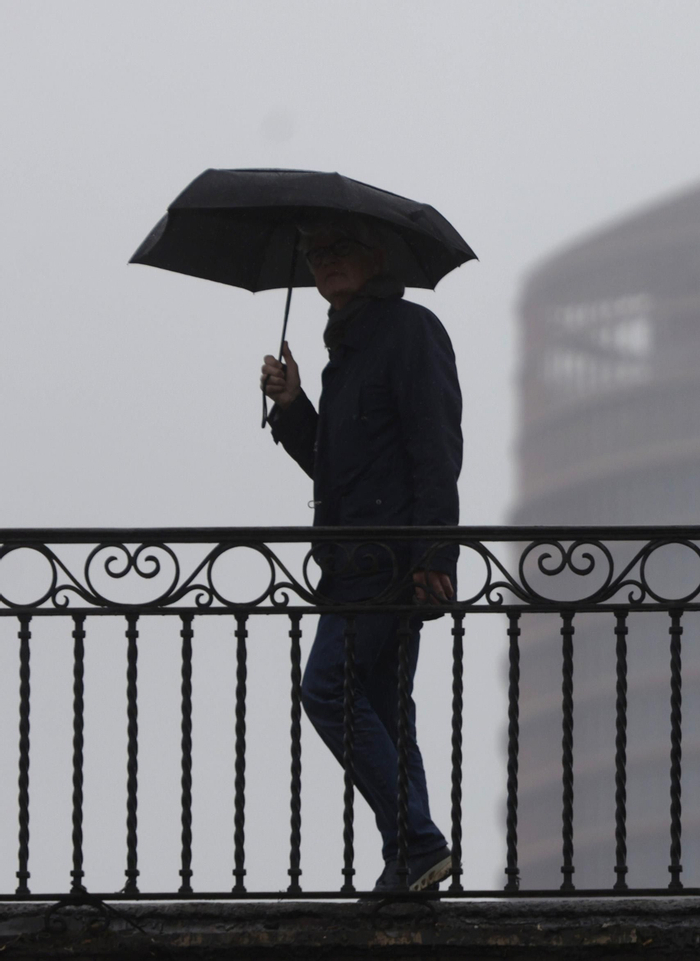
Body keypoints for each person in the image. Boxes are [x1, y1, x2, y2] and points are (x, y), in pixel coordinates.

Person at [259, 214, 462, 894]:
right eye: (314, 252)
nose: (324, 261)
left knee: (327, 688)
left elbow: (436, 448)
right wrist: (292, 405)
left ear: (377, 257)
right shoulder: (346, 353)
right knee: (382, 705)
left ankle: (419, 840)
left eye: (339, 249)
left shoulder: (409, 332)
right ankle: (414, 864)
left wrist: (436, 553)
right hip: (356, 559)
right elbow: (339, 467)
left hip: (387, 559)